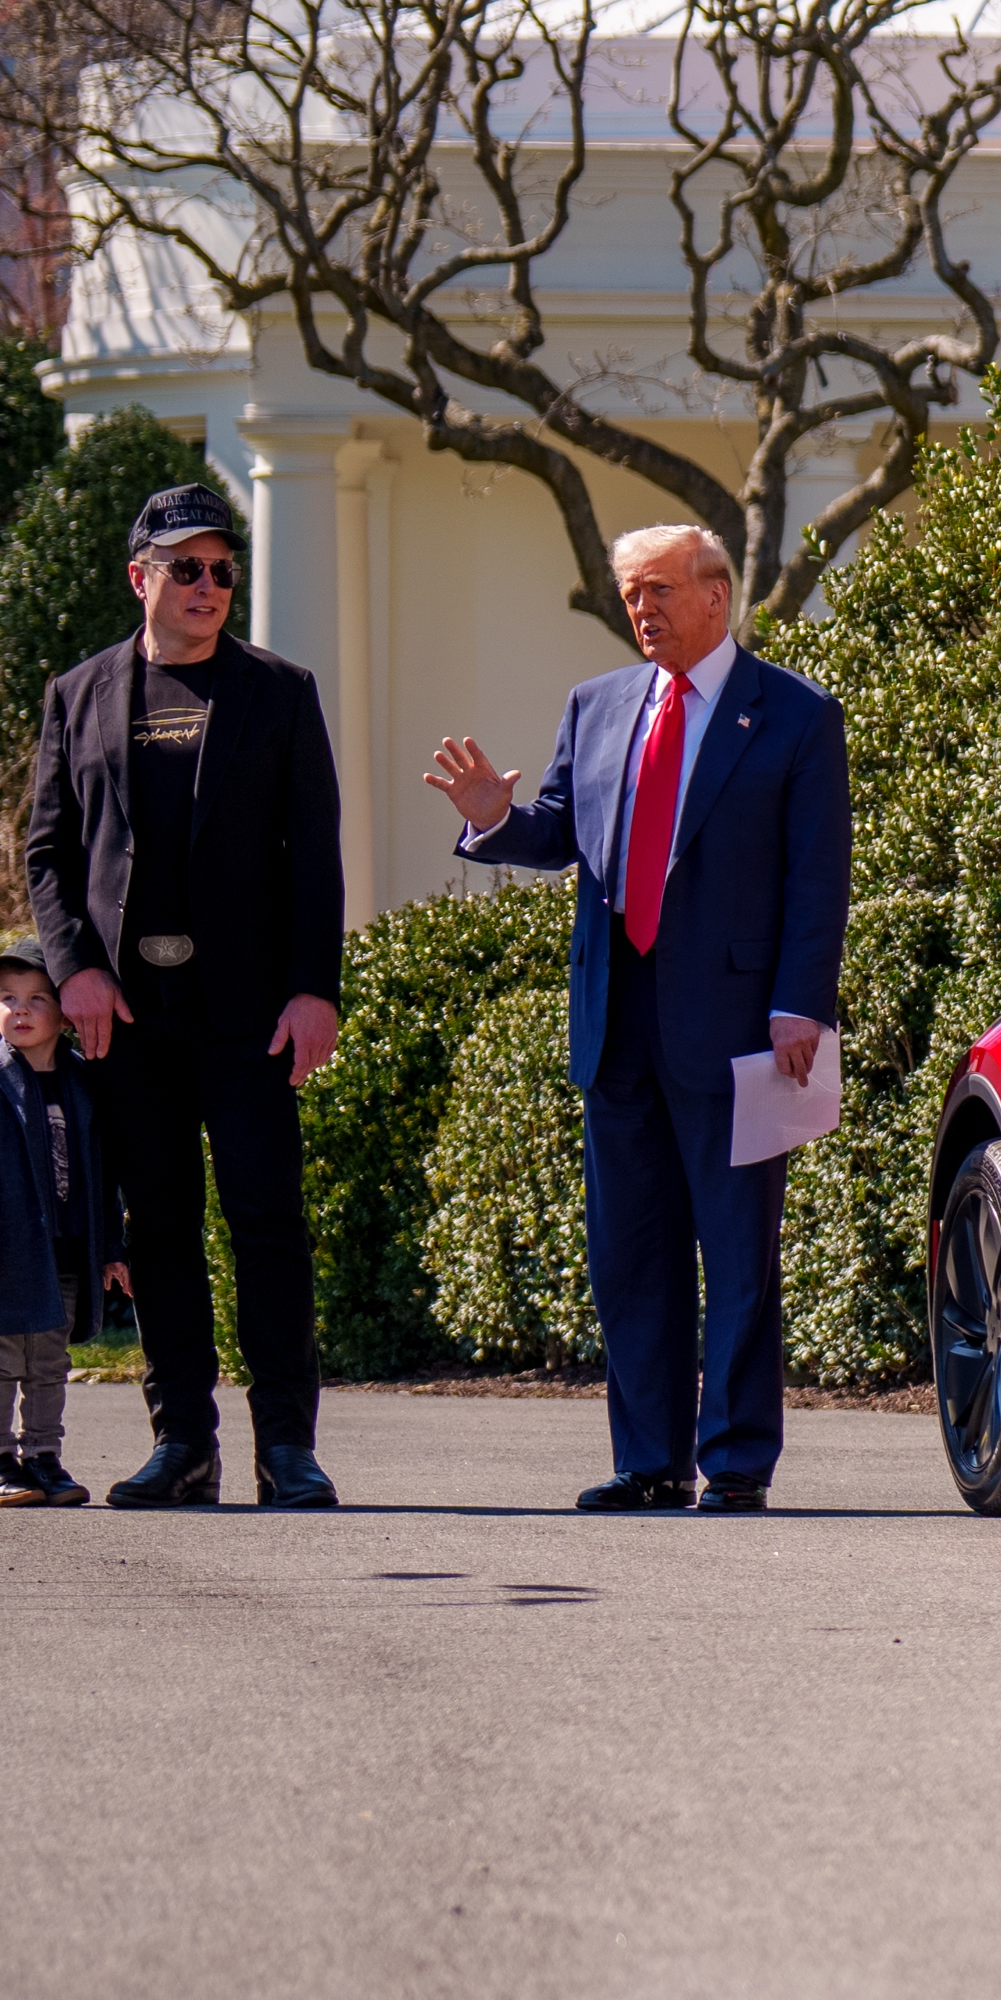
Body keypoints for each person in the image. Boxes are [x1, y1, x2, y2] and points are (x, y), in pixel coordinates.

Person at [423, 523, 848, 1514]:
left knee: (737, 1251)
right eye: (629, 595)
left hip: (745, 1027)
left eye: (658, 590)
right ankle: (649, 1459)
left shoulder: (791, 715)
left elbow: (816, 877)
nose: (642, 610)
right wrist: (493, 817)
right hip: (617, 1024)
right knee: (631, 1253)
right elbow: (564, 832)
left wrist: (801, 1005)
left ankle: (735, 1460)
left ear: (716, 594)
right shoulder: (598, 704)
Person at [25, 484, 347, 1511]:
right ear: (141, 577)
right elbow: (47, 851)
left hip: (250, 1014)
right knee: (157, 1226)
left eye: (221, 569)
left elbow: (315, 857)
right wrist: (72, 964)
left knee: (267, 1224)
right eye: (186, 568)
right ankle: (184, 1445)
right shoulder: (77, 694)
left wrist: (313, 988)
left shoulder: (281, 691)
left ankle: (286, 1449)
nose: (209, 587)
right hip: (128, 1017)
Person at [0, 938, 128, 1507]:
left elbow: (102, 1175)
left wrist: (112, 1246)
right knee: (0, 1362)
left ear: (66, 1011)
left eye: (37, 999)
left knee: (49, 1361)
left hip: (67, 1253)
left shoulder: (86, 1084)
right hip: (3, 1257)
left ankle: (43, 1457)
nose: (20, 1010)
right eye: (7, 998)